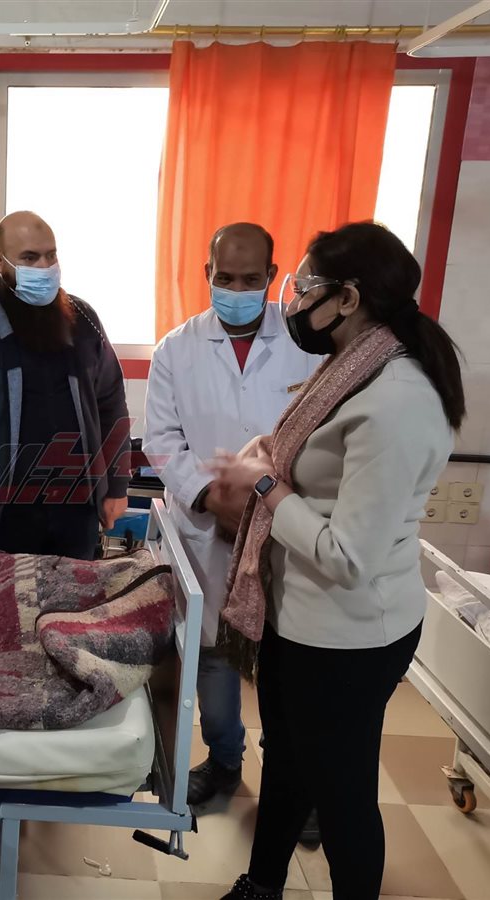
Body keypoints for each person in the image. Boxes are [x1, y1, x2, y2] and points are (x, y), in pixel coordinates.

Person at [208, 222, 465, 900]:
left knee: (342, 793)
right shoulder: (354, 368)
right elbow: (321, 468)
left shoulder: (398, 399)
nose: (293, 303)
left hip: (349, 635)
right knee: (287, 767)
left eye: (305, 288)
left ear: (348, 298)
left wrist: (266, 486)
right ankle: (262, 885)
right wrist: (269, 458)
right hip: (299, 618)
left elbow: (349, 556)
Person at [144, 223, 318, 813]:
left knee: (290, 660)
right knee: (213, 654)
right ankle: (223, 760)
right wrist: (210, 500)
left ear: (272, 276)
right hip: (207, 527)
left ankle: (294, 784)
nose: (236, 290)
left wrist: (269, 505)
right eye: (225, 278)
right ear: (207, 274)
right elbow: (161, 441)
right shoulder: (176, 348)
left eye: (250, 279)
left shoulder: (308, 342)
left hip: (290, 523)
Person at [0, 210, 131, 562]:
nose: (44, 267)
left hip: (75, 519)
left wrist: (116, 486)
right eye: (30, 258)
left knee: (73, 600)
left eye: (50, 255)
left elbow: (111, 403)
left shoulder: (82, 320)